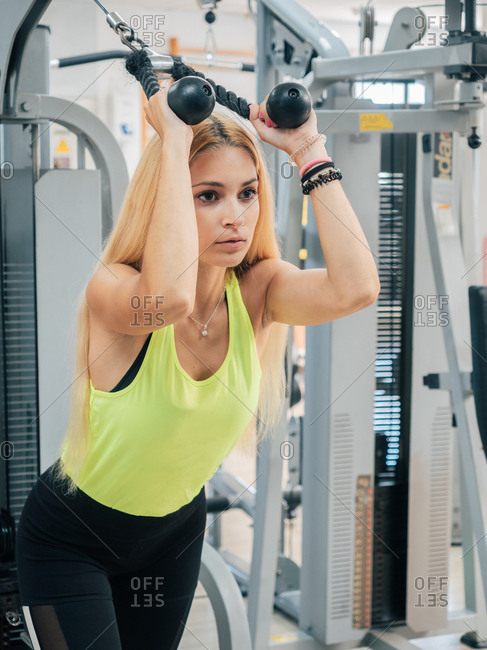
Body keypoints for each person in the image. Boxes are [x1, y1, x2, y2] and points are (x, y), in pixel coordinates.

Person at [14, 80, 380, 649]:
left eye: (247, 193)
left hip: (173, 537)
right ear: (167, 198)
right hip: (71, 542)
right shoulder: (115, 289)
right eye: (208, 196)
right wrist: (174, 143)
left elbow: (357, 288)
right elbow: (171, 301)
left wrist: (309, 150)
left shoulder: (257, 290)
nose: (235, 216)